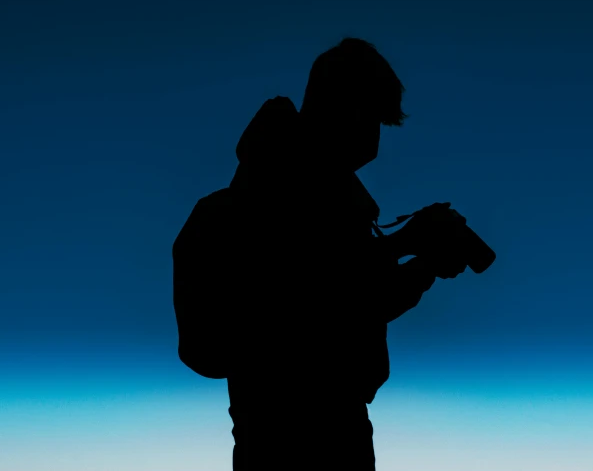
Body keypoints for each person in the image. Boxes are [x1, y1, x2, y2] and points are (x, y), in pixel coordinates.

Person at [192, 37, 466, 470]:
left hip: (268, 430)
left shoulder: (275, 177)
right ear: (348, 108)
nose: (375, 136)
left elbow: (329, 275)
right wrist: (427, 263)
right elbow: (344, 302)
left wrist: (404, 244)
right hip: (313, 434)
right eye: (374, 117)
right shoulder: (301, 188)